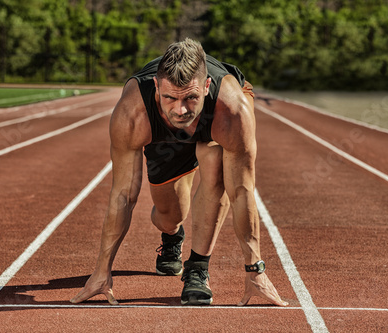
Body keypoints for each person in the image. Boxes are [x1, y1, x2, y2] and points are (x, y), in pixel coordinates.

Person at [70, 38, 288, 306]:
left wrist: (255, 270)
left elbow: (241, 190)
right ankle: (173, 235)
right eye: (170, 97)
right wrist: (102, 270)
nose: (181, 109)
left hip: (211, 128)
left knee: (216, 166)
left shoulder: (231, 110)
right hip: (164, 139)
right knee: (169, 216)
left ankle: (197, 268)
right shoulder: (133, 113)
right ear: (156, 87)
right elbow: (123, 194)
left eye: (191, 97)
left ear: (207, 87)